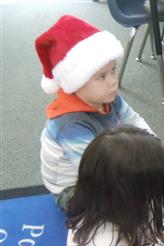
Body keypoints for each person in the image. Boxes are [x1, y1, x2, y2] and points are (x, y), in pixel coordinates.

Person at [35, 15, 154, 210]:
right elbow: (96, 171)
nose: (113, 81)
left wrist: (154, 148)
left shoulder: (109, 97)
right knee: (117, 208)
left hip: (104, 159)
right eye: (101, 76)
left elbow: (134, 121)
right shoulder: (68, 124)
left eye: (113, 70)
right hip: (74, 186)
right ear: (76, 82)